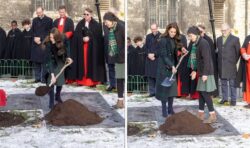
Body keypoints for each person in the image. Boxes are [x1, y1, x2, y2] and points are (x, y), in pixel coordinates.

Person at [156, 23, 186, 117]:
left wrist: (182, 49)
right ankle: (164, 110)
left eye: (174, 32)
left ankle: (170, 109)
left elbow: (178, 47)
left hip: (173, 68)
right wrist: (171, 66)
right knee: (164, 90)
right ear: (167, 30)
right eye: (171, 31)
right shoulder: (163, 40)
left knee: (171, 90)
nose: (173, 33)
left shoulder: (175, 39)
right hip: (164, 69)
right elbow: (164, 56)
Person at [187, 26, 217, 123]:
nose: (189, 38)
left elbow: (207, 60)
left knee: (205, 94)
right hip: (202, 72)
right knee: (201, 93)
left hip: (206, 72)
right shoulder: (197, 43)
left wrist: (205, 74)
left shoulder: (203, 43)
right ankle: (200, 114)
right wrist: (195, 70)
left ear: (195, 35)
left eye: (190, 36)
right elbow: (199, 60)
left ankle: (213, 115)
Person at [70, 8, 106, 87]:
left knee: (91, 64)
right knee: (82, 64)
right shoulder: (80, 23)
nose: (85, 16)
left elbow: (98, 37)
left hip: (92, 49)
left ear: (91, 15)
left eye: (87, 14)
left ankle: (92, 82)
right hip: (82, 48)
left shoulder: (96, 24)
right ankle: (81, 81)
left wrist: (90, 38)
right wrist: (82, 38)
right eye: (84, 14)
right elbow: (76, 35)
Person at [42, 28, 72, 109]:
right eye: (50, 37)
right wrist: (52, 75)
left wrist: (68, 57)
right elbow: (49, 60)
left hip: (60, 60)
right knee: (50, 82)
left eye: (53, 38)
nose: (51, 39)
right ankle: (51, 101)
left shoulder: (63, 38)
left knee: (60, 80)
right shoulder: (48, 44)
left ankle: (57, 96)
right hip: (50, 61)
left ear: (57, 37)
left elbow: (68, 47)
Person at [103, 12, 125, 108]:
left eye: (106, 21)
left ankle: (121, 101)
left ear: (111, 20)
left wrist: (123, 53)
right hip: (117, 58)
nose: (105, 23)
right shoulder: (111, 29)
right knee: (119, 79)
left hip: (123, 57)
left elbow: (126, 41)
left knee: (122, 79)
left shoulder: (121, 26)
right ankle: (120, 102)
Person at [217, 23, 240, 106]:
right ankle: (225, 98)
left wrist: (233, 62)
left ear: (229, 29)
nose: (223, 32)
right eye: (222, 30)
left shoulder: (235, 39)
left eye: (225, 30)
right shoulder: (218, 39)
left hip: (231, 65)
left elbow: (238, 53)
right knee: (223, 83)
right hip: (221, 65)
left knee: (232, 83)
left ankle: (233, 100)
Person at [31, 7, 53, 83]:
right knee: (36, 62)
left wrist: (41, 39)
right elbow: (33, 31)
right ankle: (37, 78)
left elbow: (49, 32)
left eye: (40, 12)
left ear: (43, 11)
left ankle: (43, 79)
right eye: (37, 13)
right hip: (35, 43)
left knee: (44, 62)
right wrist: (34, 38)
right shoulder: (34, 20)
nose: (39, 14)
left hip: (44, 43)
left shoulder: (49, 20)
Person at [198, 24, 219, 97]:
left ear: (204, 31)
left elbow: (210, 55)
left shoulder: (208, 40)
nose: (200, 33)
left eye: (201, 31)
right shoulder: (198, 40)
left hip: (208, 64)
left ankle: (211, 94)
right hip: (202, 65)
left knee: (209, 82)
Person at [145, 23, 161, 97]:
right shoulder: (148, 36)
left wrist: (154, 54)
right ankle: (152, 92)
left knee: (157, 76)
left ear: (157, 28)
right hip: (149, 59)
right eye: (152, 29)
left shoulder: (161, 37)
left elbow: (161, 49)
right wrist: (148, 54)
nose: (153, 30)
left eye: (154, 29)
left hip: (157, 59)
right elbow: (146, 47)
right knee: (150, 76)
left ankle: (158, 92)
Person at [236, 35, 250, 108]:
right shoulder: (248, 37)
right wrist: (244, 54)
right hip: (247, 65)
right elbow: (243, 48)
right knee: (248, 84)